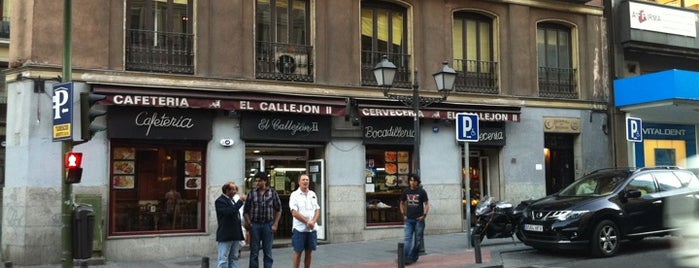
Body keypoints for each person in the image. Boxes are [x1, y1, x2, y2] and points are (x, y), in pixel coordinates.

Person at [244, 171, 282, 268]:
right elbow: (246, 210)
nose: (257, 183)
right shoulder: (252, 193)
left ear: (265, 181)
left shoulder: (272, 193)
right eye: (256, 181)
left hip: (268, 225)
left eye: (259, 181)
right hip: (255, 225)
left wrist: (275, 224)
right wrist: (249, 223)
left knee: (268, 252)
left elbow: (278, 209)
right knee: (254, 252)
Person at [289, 174, 320, 268]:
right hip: (299, 229)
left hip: (311, 229)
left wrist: (313, 221)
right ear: (299, 182)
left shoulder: (313, 194)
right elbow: (294, 212)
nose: (305, 181)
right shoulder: (294, 195)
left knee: (309, 253)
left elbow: (317, 209)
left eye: (307, 180)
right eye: (303, 180)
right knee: (298, 252)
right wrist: (307, 222)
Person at [399, 174, 429, 265]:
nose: (412, 182)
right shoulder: (406, 191)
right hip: (408, 220)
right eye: (411, 180)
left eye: (414, 181)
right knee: (407, 239)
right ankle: (404, 258)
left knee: (418, 241)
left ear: (417, 182)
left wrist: (424, 215)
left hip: (419, 220)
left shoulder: (422, 191)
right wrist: (404, 214)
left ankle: (413, 257)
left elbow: (426, 204)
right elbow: (402, 203)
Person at [215, 182, 246, 268]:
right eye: (233, 189)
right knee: (223, 258)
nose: (235, 191)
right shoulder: (220, 201)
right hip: (226, 234)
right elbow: (228, 212)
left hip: (234, 234)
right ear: (227, 190)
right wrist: (240, 202)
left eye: (235, 189)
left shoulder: (231, 200)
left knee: (234, 257)